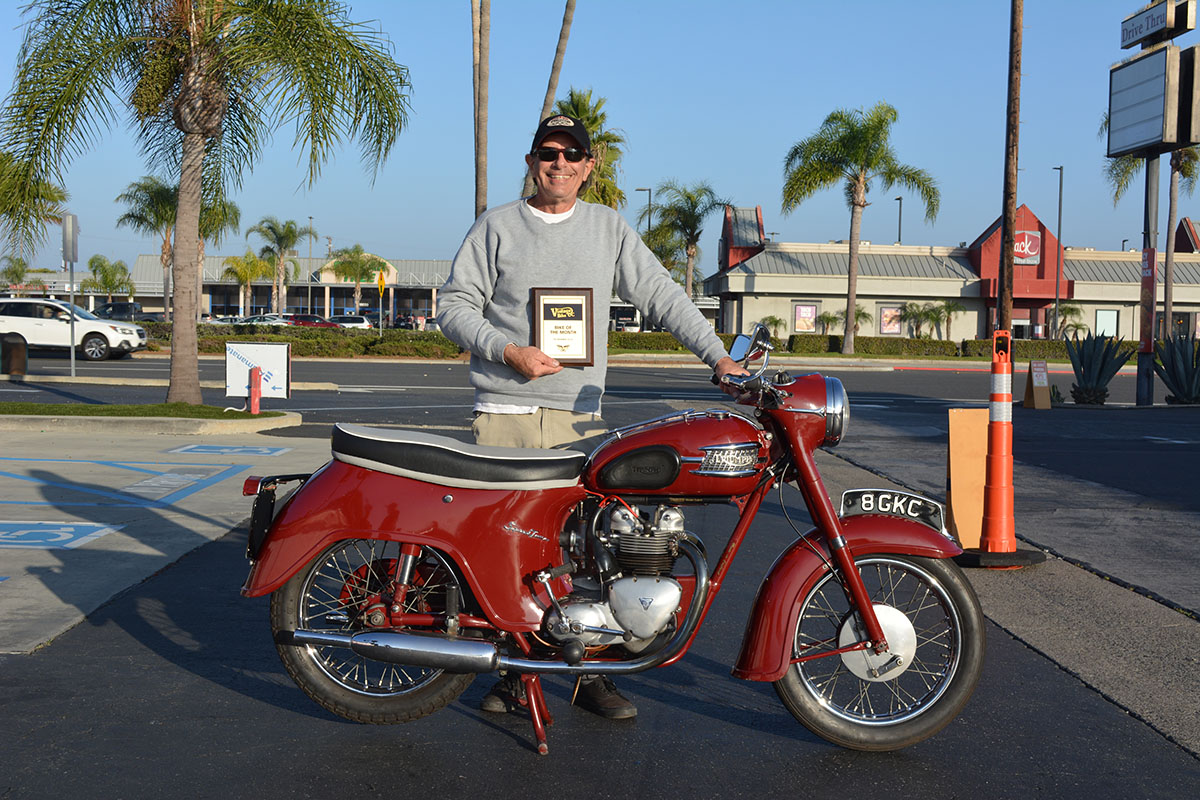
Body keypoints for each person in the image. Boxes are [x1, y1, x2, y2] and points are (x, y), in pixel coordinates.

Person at [438, 113, 745, 720]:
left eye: (571, 154)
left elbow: (661, 294)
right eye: (548, 153)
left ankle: (590, 676)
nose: (559, 164)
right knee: (511, 553)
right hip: (507, 410)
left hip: (581, 419)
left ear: (589, 166)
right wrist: (508, 351)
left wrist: (718, 356)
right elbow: (453, 304)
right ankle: (511, 668)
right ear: (531, 162)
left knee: (587, 550)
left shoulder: (609, 229)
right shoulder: (495, 226)